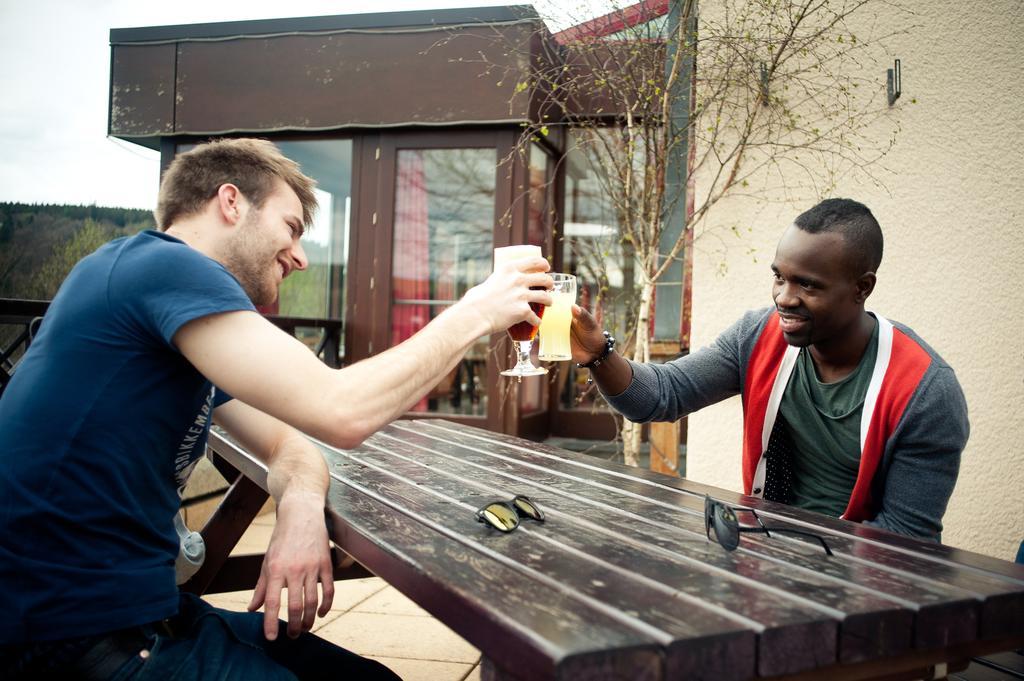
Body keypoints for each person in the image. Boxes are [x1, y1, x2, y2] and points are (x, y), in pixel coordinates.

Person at [0, 138, 552, 680]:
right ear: (231, 201)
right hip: (69, 634)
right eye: (291, 227)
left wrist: (302, 505)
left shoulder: (168, 315)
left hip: (141, 614)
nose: (302, 258)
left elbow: (289, 442)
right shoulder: (163, 265)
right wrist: (479, 310)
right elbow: (341, 410)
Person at [570, 198, 968, 542]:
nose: (784, 297)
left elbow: (905, 537)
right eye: (779, 277)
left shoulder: (925, 390)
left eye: (808, 286)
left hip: (861, 582)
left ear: (862, 288)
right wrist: (598, 354)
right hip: (763, 553)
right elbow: (661, 396)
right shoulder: (758, 335)